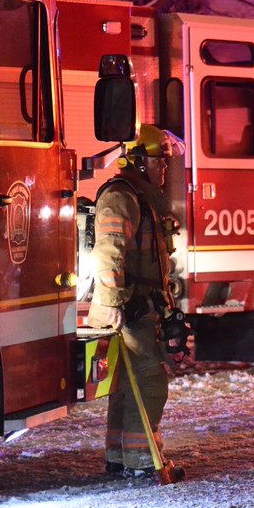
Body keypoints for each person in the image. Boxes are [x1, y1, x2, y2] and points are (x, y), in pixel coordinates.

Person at [87, 124, 186, 480]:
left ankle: (119, 456)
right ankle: (143, 461)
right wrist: (116, 304)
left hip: (138, 307)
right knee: (149, 381)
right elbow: (109, 254)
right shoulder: (121, 197)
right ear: (139, 160)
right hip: (125, 309)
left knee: (126, 387)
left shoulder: (140, 197)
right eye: (160, 160)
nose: (165, 167)